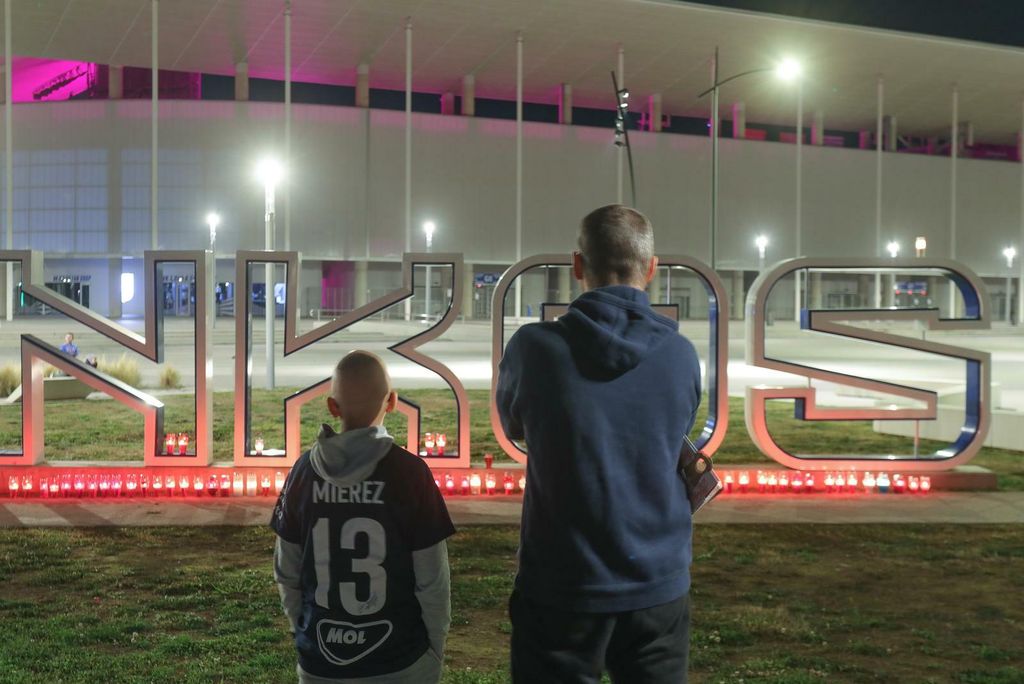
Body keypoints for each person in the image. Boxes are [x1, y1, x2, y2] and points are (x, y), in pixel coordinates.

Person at [497, 204, 702, 684]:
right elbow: (676, 433)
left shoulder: (534, 349)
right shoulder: (680, 355)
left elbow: (514, 426)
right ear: (651, 269)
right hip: (658, 582)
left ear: (577, 265)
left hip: (561, 583)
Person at [271, 351, 455, 684]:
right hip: (400, 661)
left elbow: (287, 572)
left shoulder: (303, 473)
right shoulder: (410, 474)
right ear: (393, 402)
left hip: (321, 661)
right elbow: (433, 579)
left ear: (332, 406)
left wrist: (307, 632)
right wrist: (435, 647)